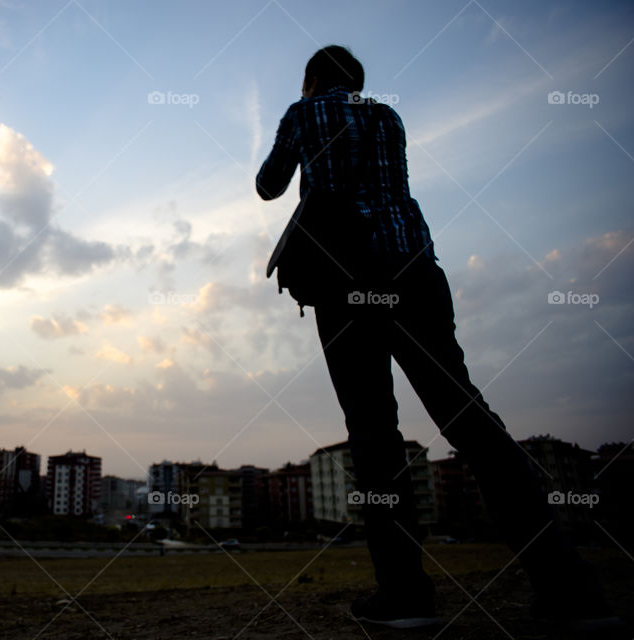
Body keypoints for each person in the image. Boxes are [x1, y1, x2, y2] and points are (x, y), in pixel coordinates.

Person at [255, 45, 620, 631]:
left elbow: (268, 186)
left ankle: (404, 599)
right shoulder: (387, 118)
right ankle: (570, 591)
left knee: (374, 434)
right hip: (416, 274)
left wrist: (298, 127)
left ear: (314, 78)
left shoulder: (304, 115)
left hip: (347, 284)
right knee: (467, 417)